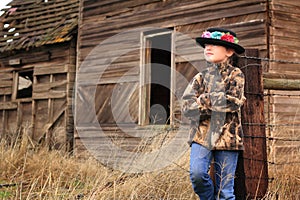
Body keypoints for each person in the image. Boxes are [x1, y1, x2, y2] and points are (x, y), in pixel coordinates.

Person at [181, 27, 246, 200]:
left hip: (228, 138)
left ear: (229, 51)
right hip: (202, 136)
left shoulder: (236, 75)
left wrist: (201, 99)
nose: (208, 48)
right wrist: (215, 101)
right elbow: (186, 107)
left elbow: (232, 102)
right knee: (197, 175)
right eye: (206, 45)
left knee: (225, 191)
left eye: (214, 45)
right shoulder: (200, 77)